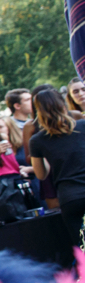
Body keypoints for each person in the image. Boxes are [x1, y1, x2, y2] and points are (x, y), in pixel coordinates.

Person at [29, 89, 85, 247]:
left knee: (83, 247)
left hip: (70, 198)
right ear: (62, 104)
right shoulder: (82, 125)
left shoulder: (37, 140)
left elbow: (41, 174)